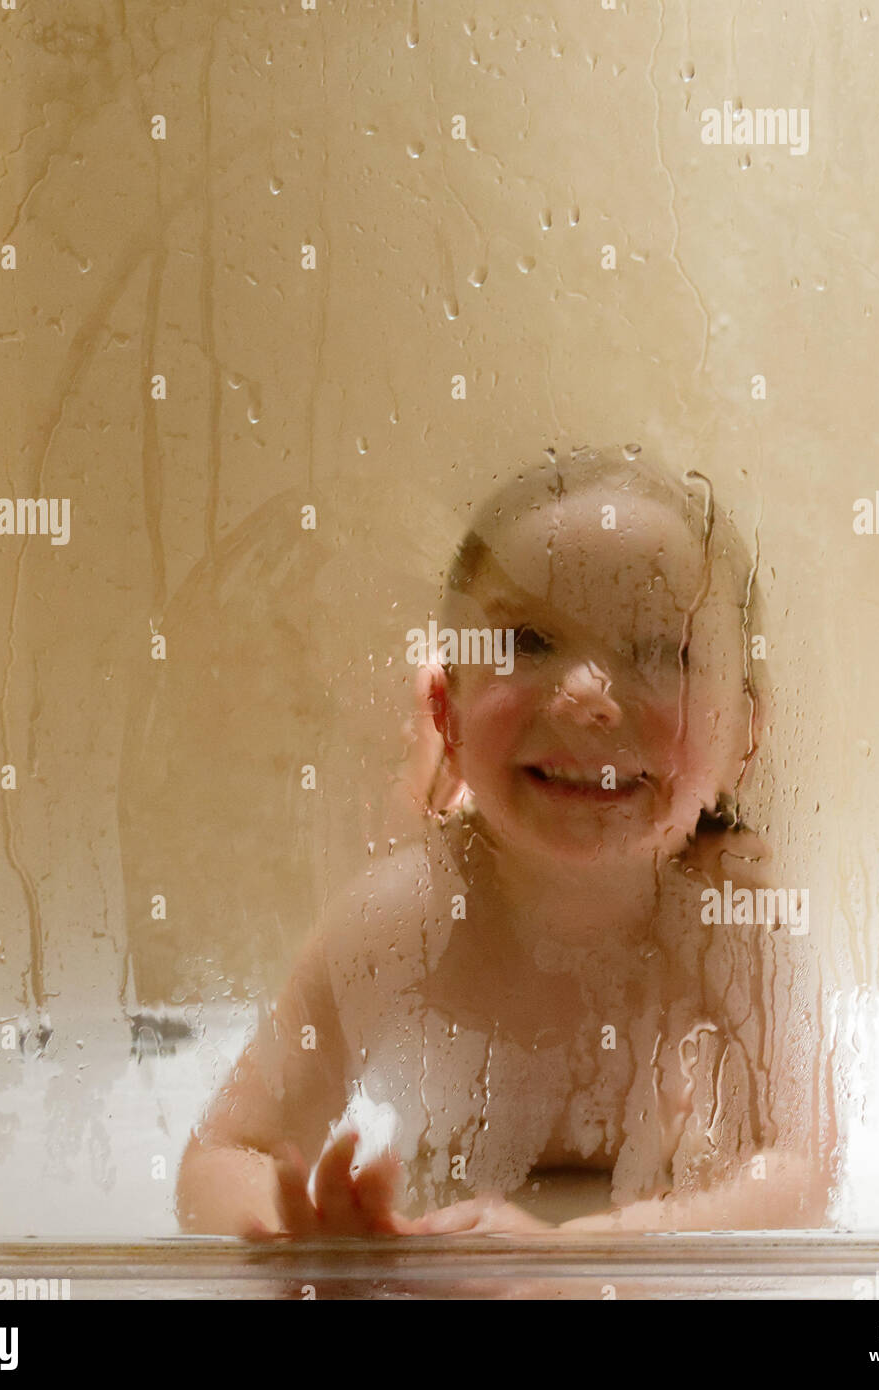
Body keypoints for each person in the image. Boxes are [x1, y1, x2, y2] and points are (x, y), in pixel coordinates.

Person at [176, 445, 836, 1236]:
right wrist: (304, 1239)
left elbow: (799, 1179)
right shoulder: (396, 924)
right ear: (444, 711)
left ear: (745, 735)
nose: (589, 694)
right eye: (525, 641)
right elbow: (221, 1156)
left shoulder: (735, 929)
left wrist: (582, 1260)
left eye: (661, 651)